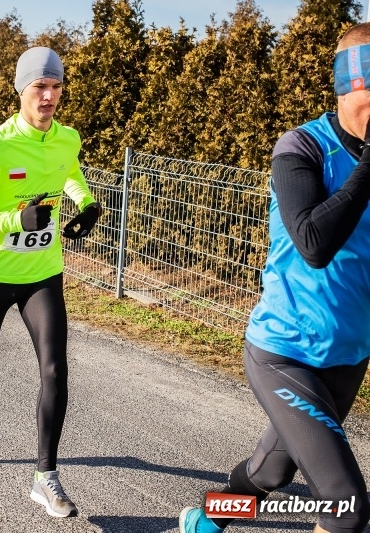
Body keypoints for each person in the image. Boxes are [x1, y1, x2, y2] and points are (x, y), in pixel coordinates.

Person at [179, 22, 370, 533]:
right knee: (345, 505)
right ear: (349, 84)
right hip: (286, 349)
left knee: (272, 470)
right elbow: (313, 243)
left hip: (348, 355)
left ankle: (204, 518)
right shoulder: (303, 147)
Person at [0, 46, 101, 518]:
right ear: (21, 91)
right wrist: (15, 218)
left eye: (56, 88)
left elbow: (67, 172)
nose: (49, 97)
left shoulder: (67, 138)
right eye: (39, 88)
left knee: (55, 369)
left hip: (42, 273)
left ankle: (44, 477)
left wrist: (85, 204)